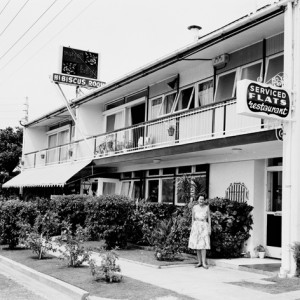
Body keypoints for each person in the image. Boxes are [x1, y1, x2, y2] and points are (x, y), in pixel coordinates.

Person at [188, 193, 211, 269]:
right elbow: (192, 218)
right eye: (200, 199)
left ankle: (204, 263)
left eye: (202, 199)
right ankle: (199, 262)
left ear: (204, 200)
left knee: (203, 245)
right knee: (197, 245)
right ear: (197, 200)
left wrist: (209, 228)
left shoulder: (206, 207)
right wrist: (192, 228)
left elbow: (209, 218)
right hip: (196, 226)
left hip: (204, 226)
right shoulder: (194, 207)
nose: (201, 200)